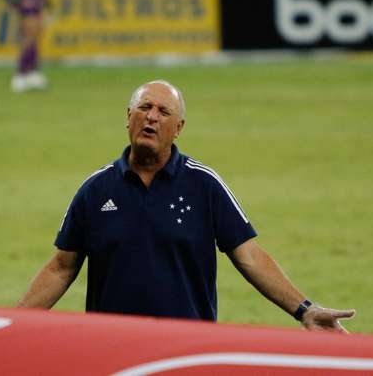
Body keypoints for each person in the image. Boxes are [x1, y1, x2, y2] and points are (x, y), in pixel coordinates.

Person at [18, 80, 355, 331]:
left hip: (185, 345)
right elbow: (61, 268)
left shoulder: (203, 185)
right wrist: (13, 324)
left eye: (164, 112)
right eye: (144, 108)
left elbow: (249, 256)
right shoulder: (96, 190)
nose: (151, 117)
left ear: (178, 129)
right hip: (112, 345)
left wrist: (305, 310)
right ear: (128, 117)